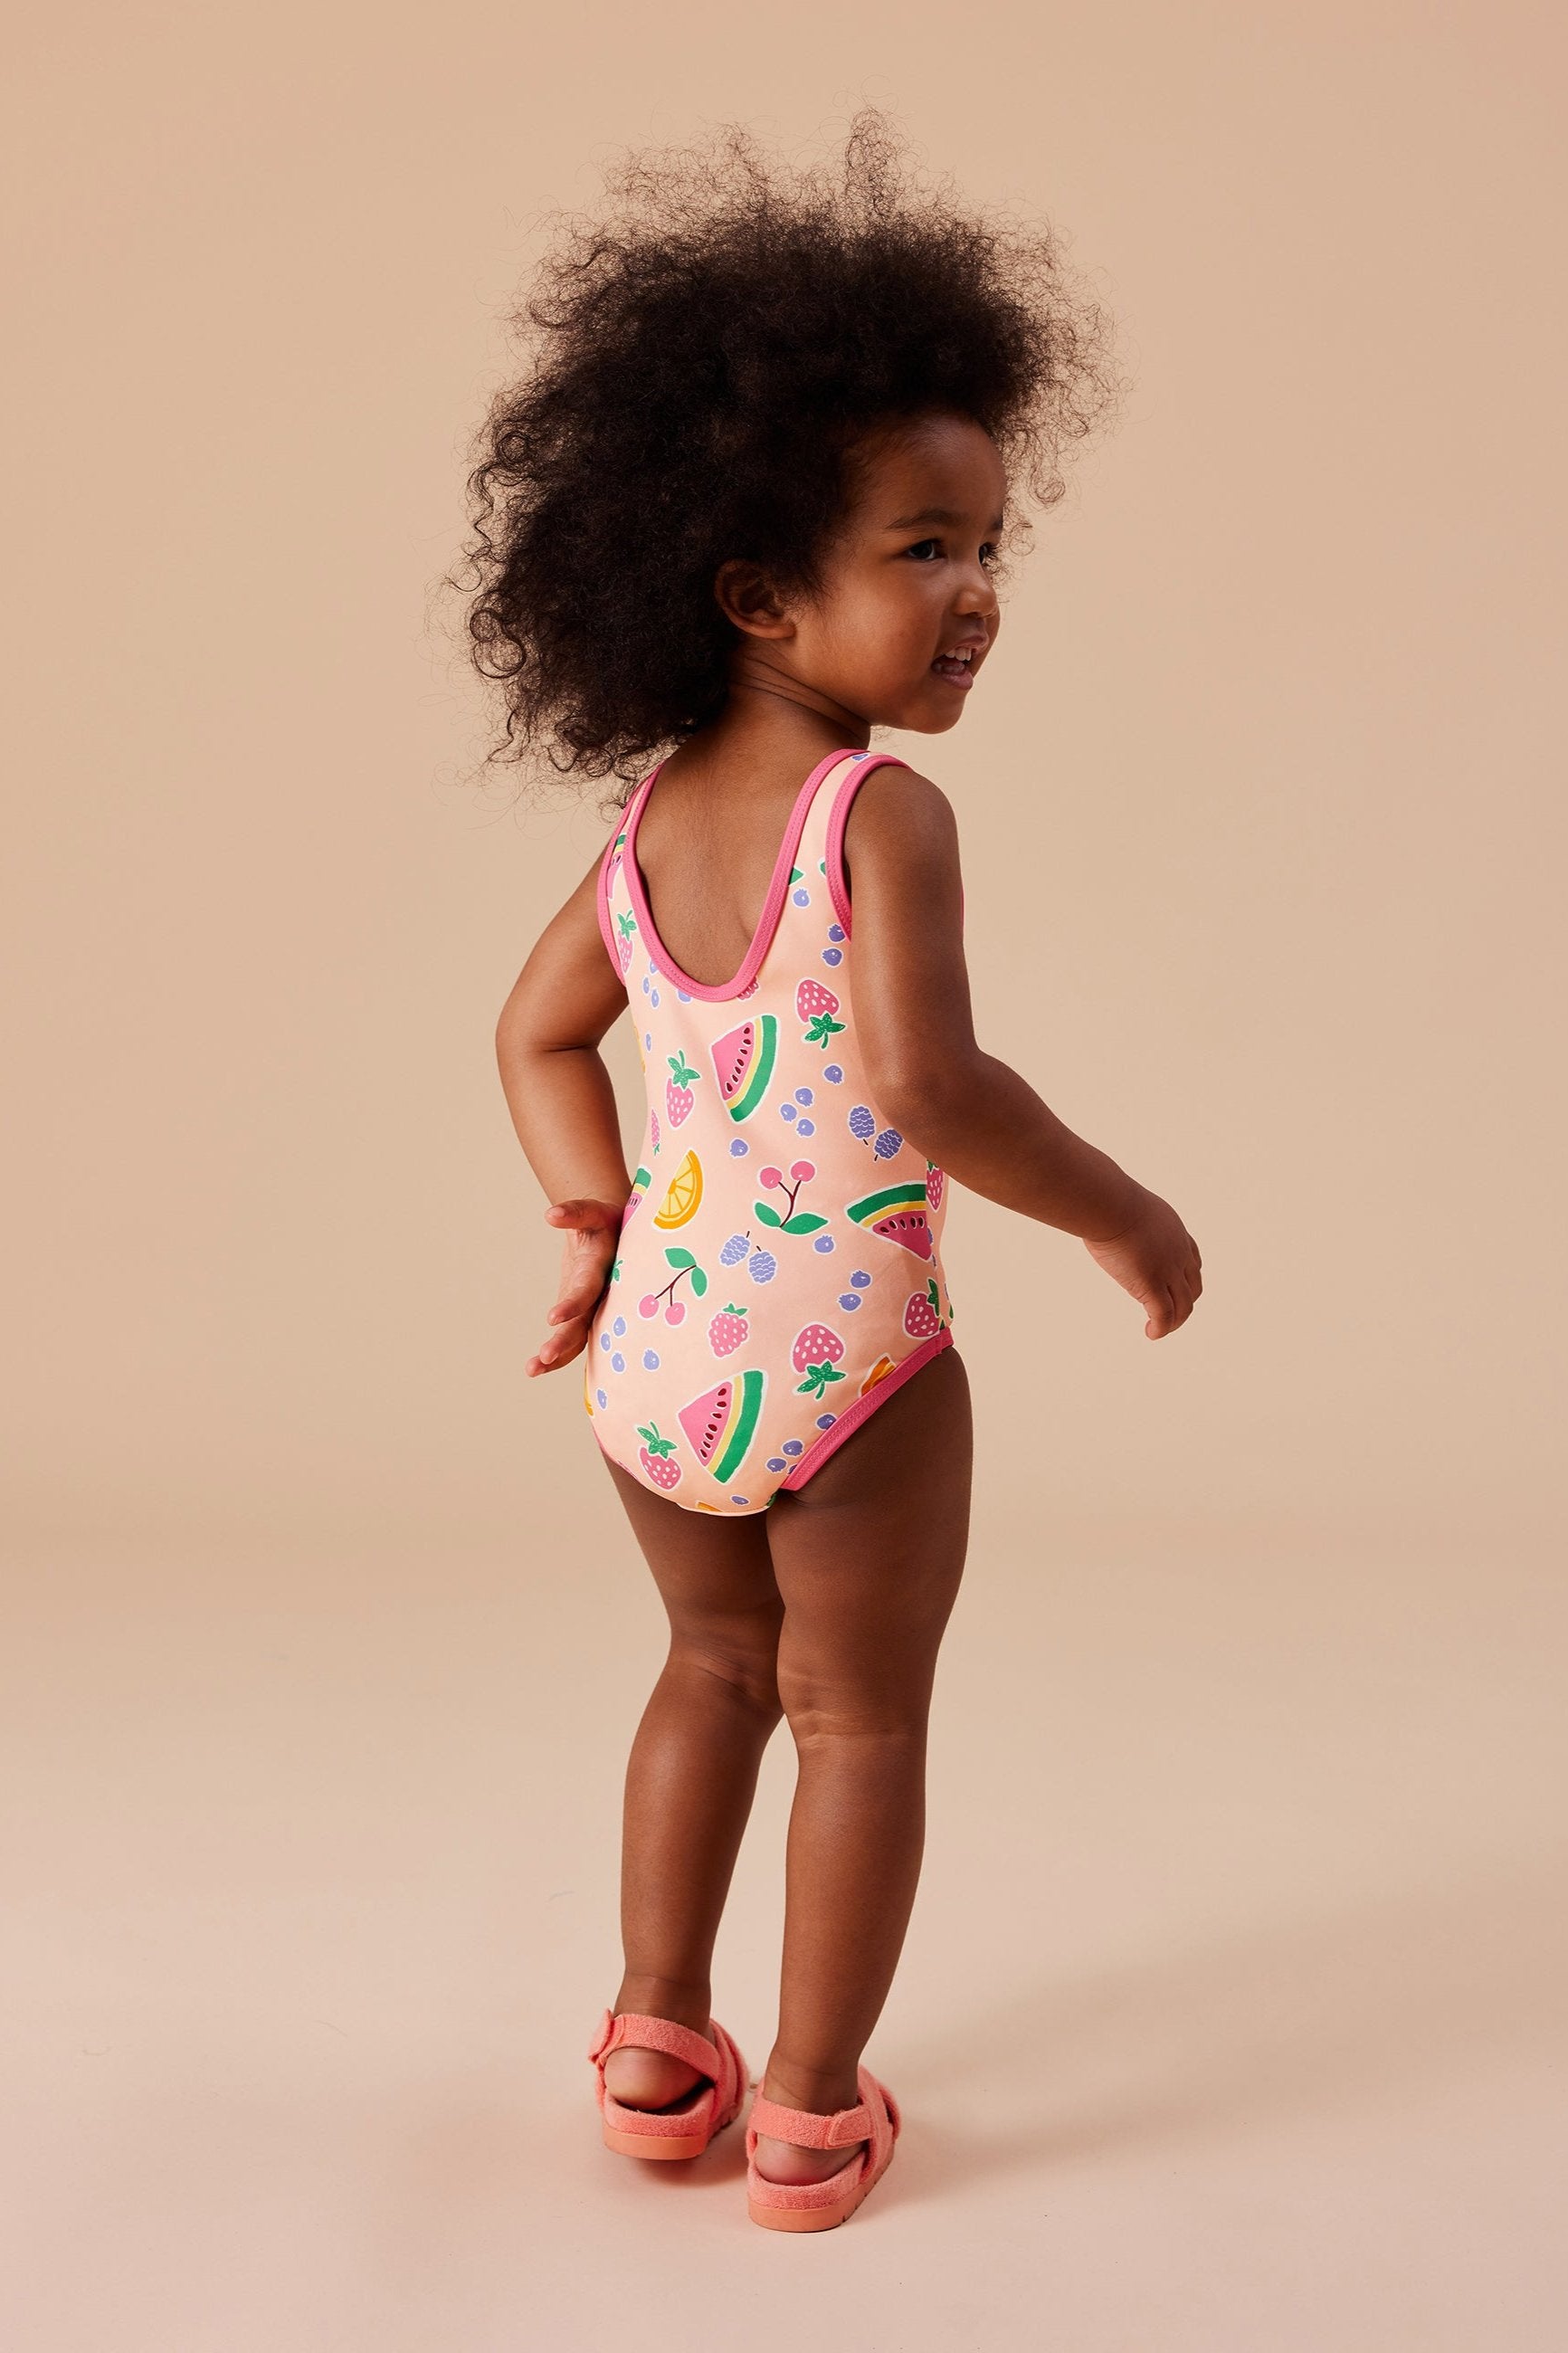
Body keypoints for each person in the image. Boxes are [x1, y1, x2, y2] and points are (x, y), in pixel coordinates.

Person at [467, 111, 1202, 2232]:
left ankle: (646, 2038)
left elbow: (532, 1036)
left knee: (708, 1672)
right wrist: (1121, 1212)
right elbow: (926, 1077)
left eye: (992, 548)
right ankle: (804, 2105)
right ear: (756, 589)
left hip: (666, 1366)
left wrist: (600, 1218)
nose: (977, 594)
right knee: (855, 1715)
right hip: (853, 1359)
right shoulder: (876, 818)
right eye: (922, 548)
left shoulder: (638, 832)